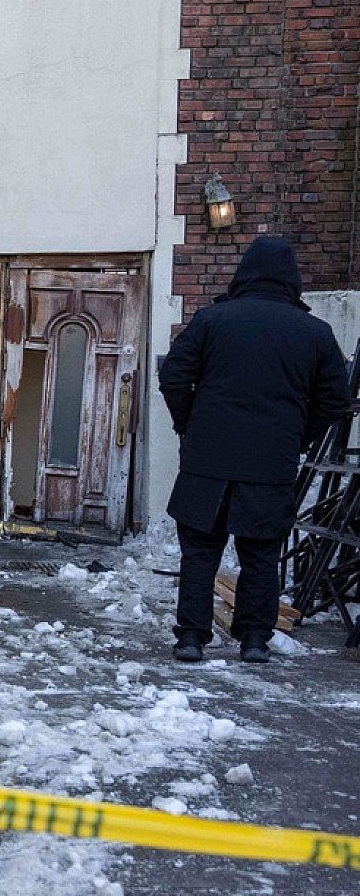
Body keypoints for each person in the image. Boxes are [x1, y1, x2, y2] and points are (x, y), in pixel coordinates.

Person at [159, 235, 347, 665]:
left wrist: (190, 426)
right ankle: (255, 641)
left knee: (200, 553)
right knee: (261, 556)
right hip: (270, 465)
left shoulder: (211, 320)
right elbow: (334, 400)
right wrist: (299, 438)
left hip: (207, 462)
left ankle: (191, 637)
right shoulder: (315, 333)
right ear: (292, 279)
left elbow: (173, 377)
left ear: (244, 273)